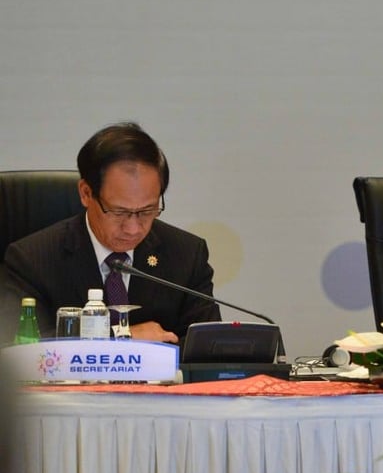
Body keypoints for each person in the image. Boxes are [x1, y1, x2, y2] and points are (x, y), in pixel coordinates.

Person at [3, 122, 220, 343]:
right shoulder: (32, 260)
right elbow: (17, 351)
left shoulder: (187, 255)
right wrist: (121, 337)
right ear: (86, 193)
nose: (133, 228)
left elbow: (203, 349)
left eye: (147, 210)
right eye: (119, 212)